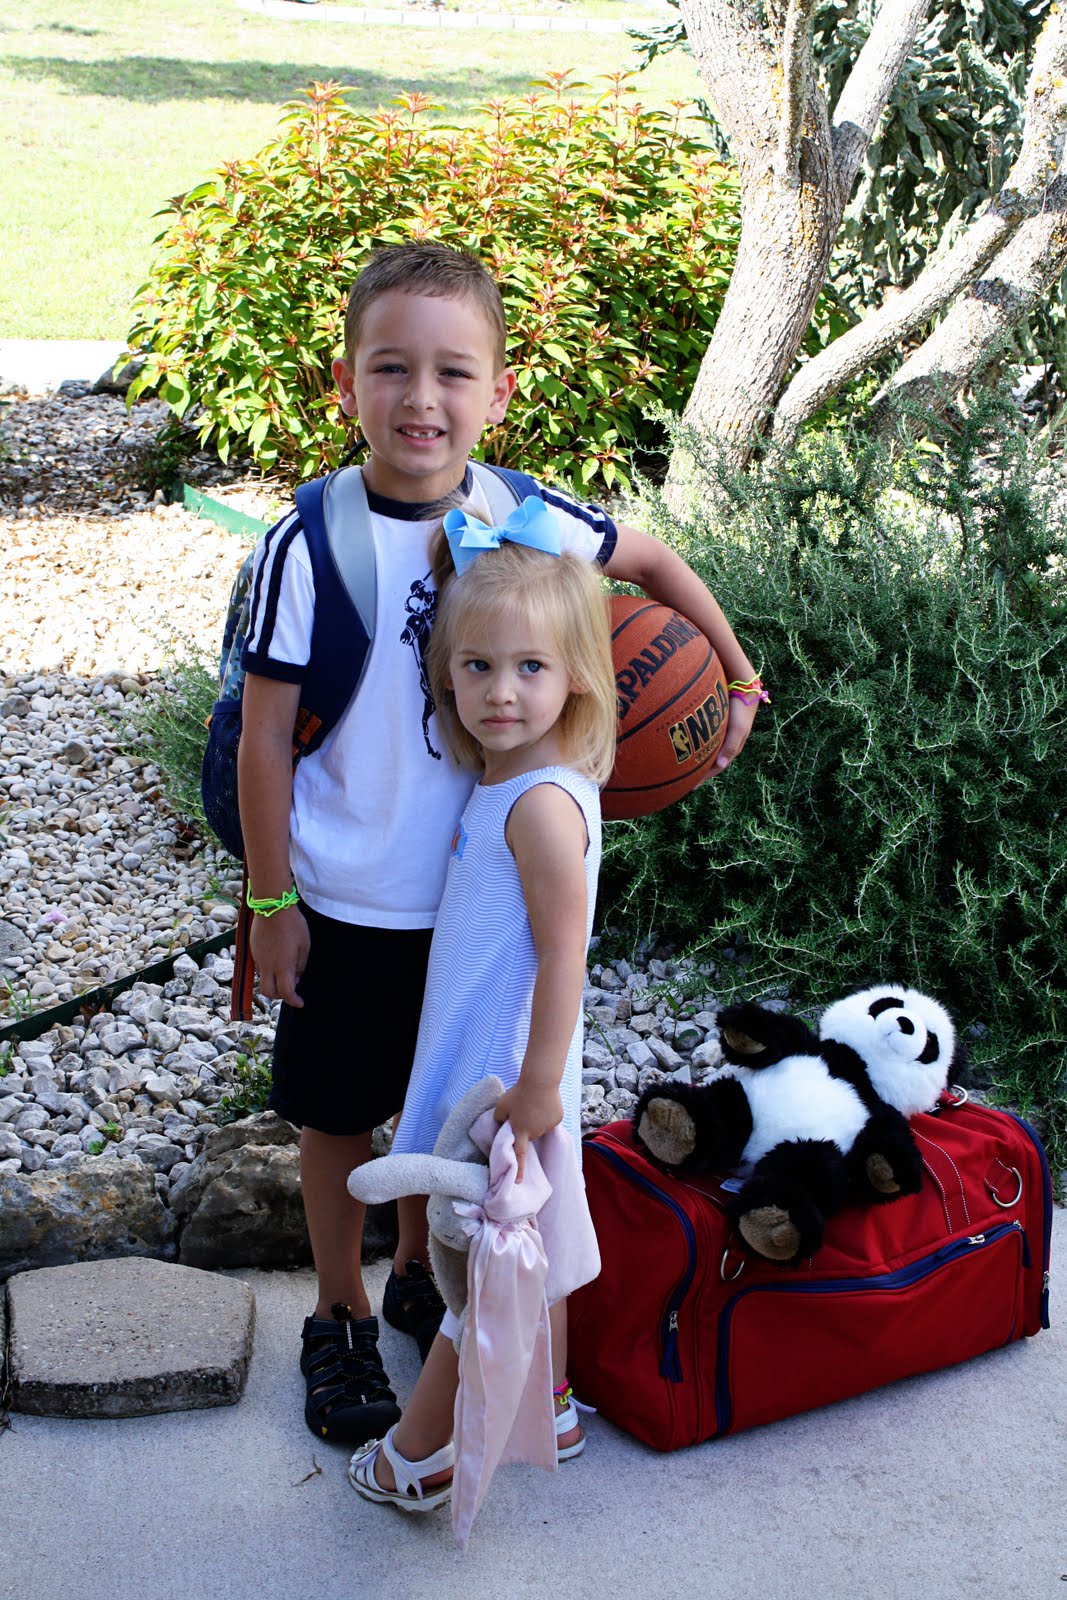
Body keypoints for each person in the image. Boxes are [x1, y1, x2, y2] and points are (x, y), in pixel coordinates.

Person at [237, 241, 762, 1447]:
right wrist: (271, 903)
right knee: (336, 1113)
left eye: (453, 372)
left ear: (498, 391)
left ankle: (419, 1275)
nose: (421, 398)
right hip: (350, 897)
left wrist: (734, 675)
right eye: (390, 368)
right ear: (346, 384)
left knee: (443, 1109)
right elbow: (265, 737)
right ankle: (337, 1309)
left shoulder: (520, 518)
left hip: (473, 904)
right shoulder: (306, 543)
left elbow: (645, 560)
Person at [349, 530, 615, 1512]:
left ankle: (419, 1455)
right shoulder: (502, 781)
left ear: (576, 673)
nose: (501, 691)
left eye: (530, 667)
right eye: (478, 667)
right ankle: (548, 1404)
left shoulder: (540, 806)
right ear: (447, 675)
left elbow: (563, 953)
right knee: (523, 1250)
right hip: (484, 1060)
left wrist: (538, 1085)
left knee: (481, 1271)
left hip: (505, 1079)